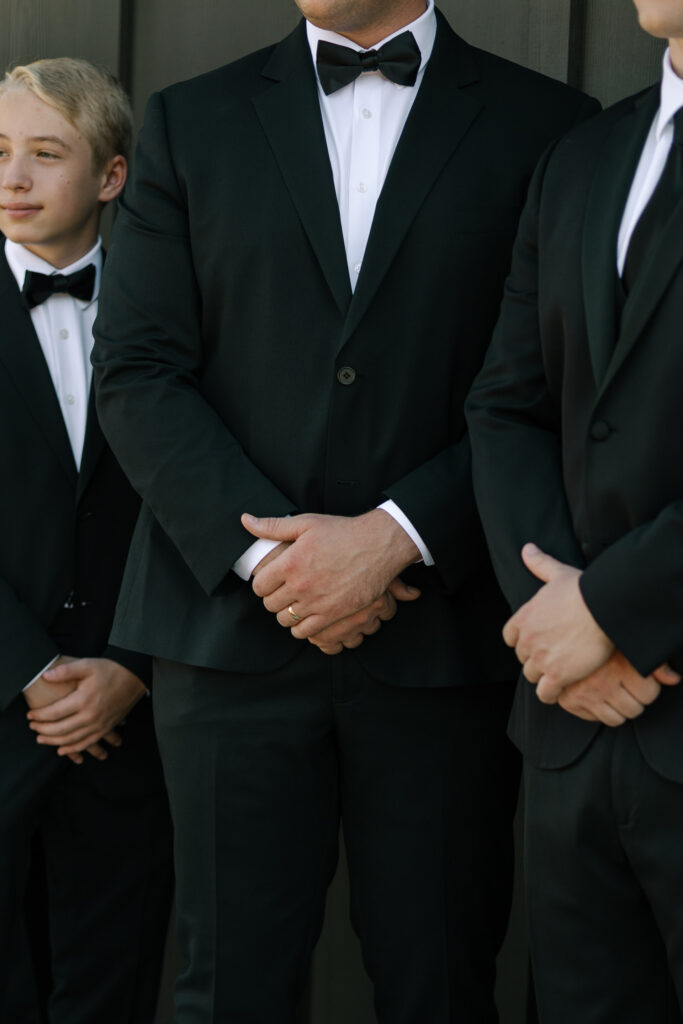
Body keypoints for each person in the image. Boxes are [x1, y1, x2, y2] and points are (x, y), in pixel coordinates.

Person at [92, 2, 597, 1020]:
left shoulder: (547, 124)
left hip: (444, 637)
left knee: (440, 978)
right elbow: (138, 373)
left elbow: (554, 385)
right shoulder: (190, 121)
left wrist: (397, 534)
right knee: (224, 984)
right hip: (225, 633)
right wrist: (272, 563)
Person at [466, 1, 683, 1020]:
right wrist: (554, 621)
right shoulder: (583, 154)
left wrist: (612, 608)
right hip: (571, 726)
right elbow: (505, 404)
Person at [0, 58, 173, 1023]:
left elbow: (183, 501)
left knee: (114, 974)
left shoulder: (175, 311)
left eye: (45, 154)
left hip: (130, 713)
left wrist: (126, 663)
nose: (12, 179)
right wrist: (30, 671)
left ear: (110, 177)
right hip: (3, 697)